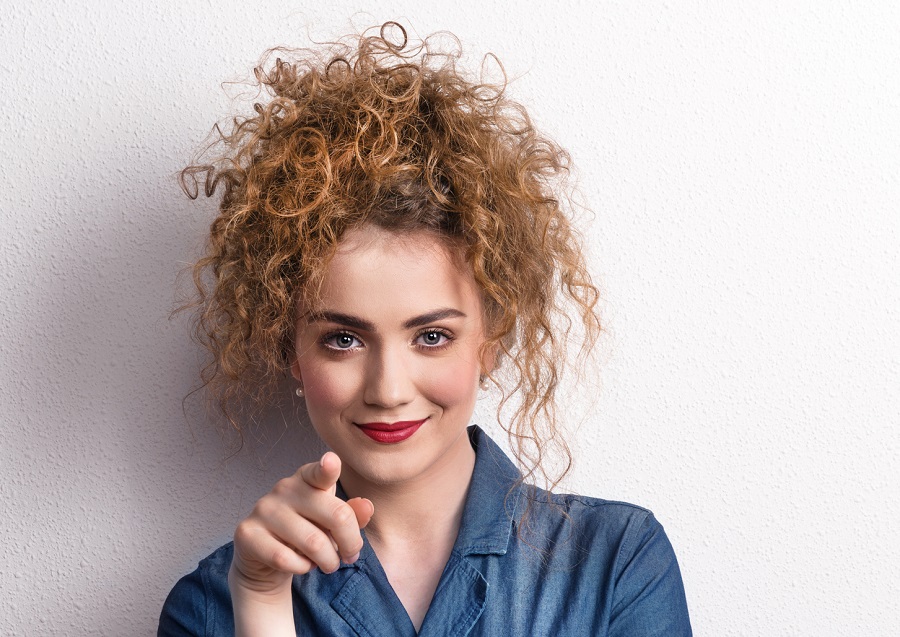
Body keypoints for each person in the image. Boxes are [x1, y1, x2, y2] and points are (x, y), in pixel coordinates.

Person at [159, 22, 692, 636]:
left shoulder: (616, 564)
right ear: (289, 350)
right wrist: (260, 603)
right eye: (343, 339)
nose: (388, 389)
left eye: (431, 336)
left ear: (491, 339)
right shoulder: (215, 605)